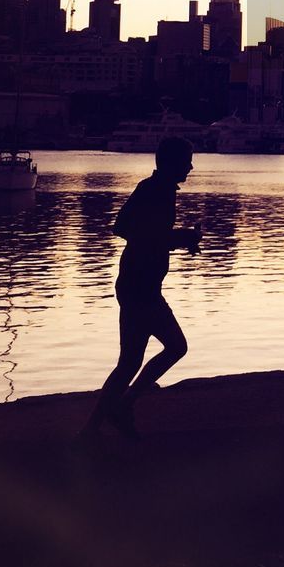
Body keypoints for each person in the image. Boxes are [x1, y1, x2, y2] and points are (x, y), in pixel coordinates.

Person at [83, 136, 203, 439]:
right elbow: (126, 229)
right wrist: (179, 239)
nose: (190, 167)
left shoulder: (159, 190)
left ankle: (92, 430)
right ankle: (122, 406)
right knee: (174, 347)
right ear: (171, 163)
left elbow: (143, 233)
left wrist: (176, 239)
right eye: (186, 161)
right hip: (140, 287)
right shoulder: (153, 191)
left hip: (141, 285)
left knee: (130, 361)